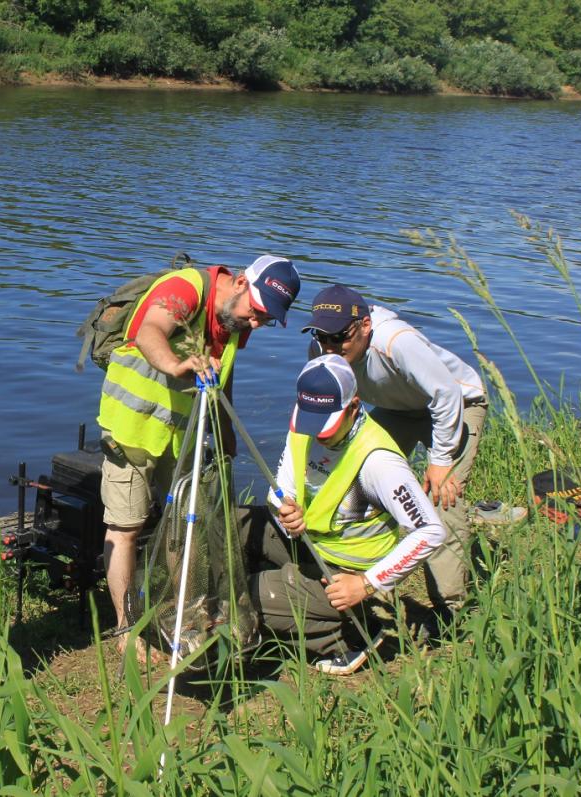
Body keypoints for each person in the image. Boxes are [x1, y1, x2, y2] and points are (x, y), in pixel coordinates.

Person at [97, 255, 301, 658]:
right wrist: (177, 365)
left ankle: (184, 615)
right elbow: (150, 331)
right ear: (240, 282)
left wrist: (226, 433)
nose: (255, 322)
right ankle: (126, 629)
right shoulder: (185, 288)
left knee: (185, 527)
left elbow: (225, 376)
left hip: (182, 436)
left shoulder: (236, 321)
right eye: (256, 311)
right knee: (126, 528)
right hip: (130, 430)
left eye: (266, 319)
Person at [245, 354, 446, 674]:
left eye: (326, 426)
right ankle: (286, 592)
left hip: (346, 571)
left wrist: (367, 583)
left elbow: (430, 531)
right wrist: (286, 509)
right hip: (310, 543)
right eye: (310, 421)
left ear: (354, 407)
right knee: (235, 524)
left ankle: (349, 636)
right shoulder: (304, 424)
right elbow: (282, 489)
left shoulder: (378, 461)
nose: (316, 434)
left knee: (246, 594)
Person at [304, 285, 486, 617]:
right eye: (322, 336)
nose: (330, 346)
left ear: (364, 326)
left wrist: (440, 460)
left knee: (441, 499)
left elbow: (446, 394)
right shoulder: (321, 352)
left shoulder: (396, 341)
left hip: (456, 405)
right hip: (398, 408)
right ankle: (357, 574)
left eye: (339, 336)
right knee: (352, 480)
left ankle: (450, 609)